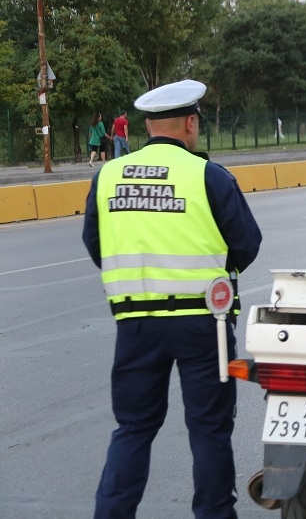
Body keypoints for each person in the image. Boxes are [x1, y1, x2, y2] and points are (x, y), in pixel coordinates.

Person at [82, 80, 263, 518]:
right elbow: (247, 243)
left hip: (136, 325)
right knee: (209, 430)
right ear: (189, 123)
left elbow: (95, 241)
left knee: (133, 427)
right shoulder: (208, 176)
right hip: (204, 325)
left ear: (147, 125)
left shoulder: (108, 175)